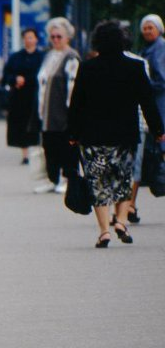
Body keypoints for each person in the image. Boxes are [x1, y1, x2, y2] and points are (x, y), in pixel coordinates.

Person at [67, 20, 164, 247]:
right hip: (125, 134)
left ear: (97, 42)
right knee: (123, 178)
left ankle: (104, 231)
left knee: (98, 180)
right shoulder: (135, 67)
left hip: (93, 136)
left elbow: (76, 104)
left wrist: (72, 133)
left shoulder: (88, 67)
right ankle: (121, 221)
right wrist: (158, 129)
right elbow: (148, 102)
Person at [34, 17, 80, 194]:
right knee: (49, 144)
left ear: (67, 37)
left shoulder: (71, 57)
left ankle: (67, 177)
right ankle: (52, 178)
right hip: (46, 110)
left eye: (59, 36)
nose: (55, 40)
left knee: (65, 144)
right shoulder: (49, 55)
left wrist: (71, 111)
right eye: (52, 36)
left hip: (62, 110)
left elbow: (73, 85)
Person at [131, 13, 165, 220]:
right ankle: (131, 205)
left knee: (156, 150)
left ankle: (131, 205)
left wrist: (141, 87)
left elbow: (161, 79)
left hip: (159, 104)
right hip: (154, 103)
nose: (147, 31)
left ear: (159, 29)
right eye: (145, 28)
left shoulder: (159, 48)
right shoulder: (150, 48)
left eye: (151, 27)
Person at [2, 28, 44, 164]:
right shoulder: (16, 57)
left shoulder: (42, 57)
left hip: (36, 95)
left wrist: (27, 80)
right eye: (26, 37)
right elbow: (6, 75)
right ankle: (25, 154)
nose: (28, 40)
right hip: (19, 96)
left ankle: (38, 150)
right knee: (21, 124)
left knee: (36, 122)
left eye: (31, 37)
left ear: (36, 39)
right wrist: (15, 80)